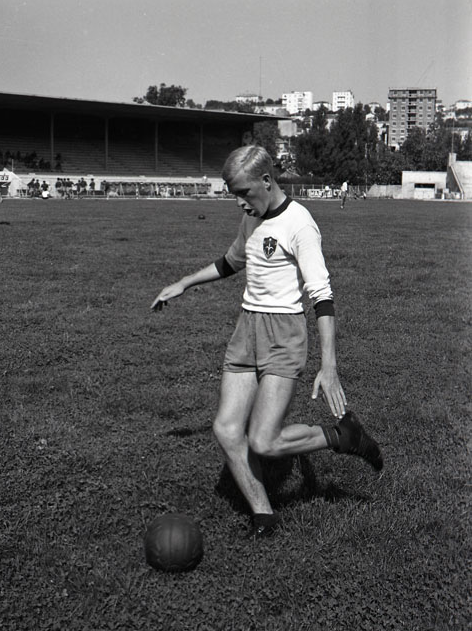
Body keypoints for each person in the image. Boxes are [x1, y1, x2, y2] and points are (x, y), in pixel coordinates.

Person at [151, 146, 382, 540]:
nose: (240, 203)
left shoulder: (300, 224)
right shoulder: (251, 217)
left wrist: (329, 367)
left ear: (266, 180)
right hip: (246, 330)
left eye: (244, 193)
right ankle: (264, 514)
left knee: (264, 441)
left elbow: (322, 296)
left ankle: (343, 436)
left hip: (283, 335)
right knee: (227, 429)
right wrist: (183, 283)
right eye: (234, 195)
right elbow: (232, 261)